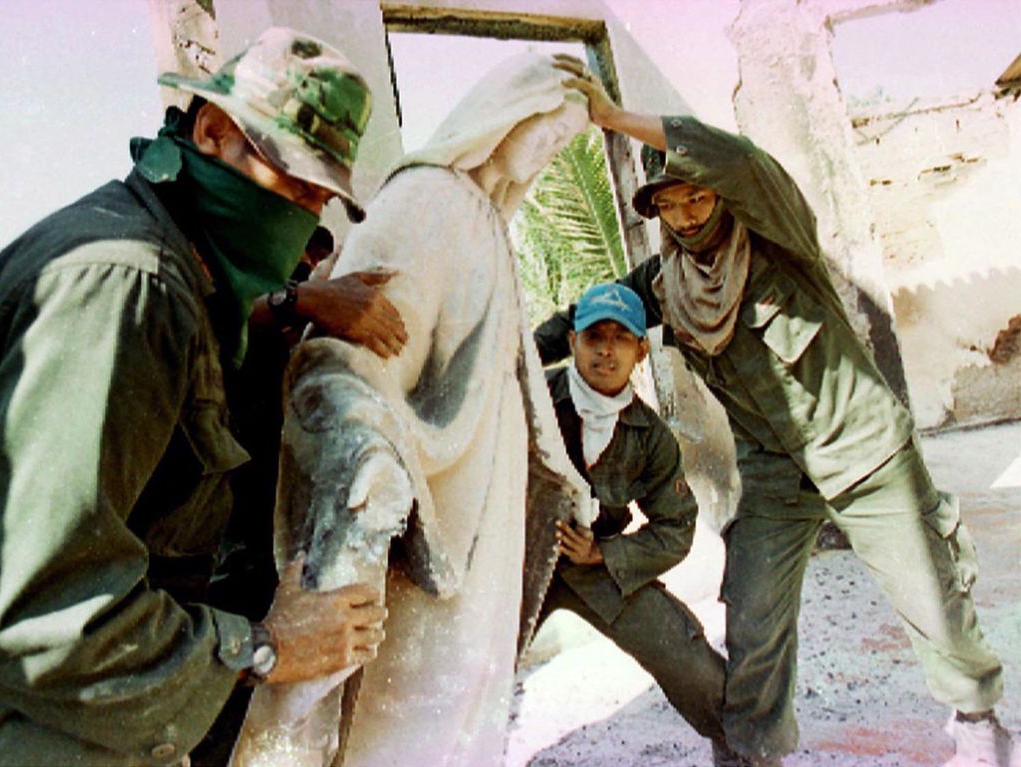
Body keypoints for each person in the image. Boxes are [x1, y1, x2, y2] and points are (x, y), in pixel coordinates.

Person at [0, 28, 398, 767]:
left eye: (317, 196)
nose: (303, 214)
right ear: (212, 131)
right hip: (5, 727)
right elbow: (42, 615)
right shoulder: (125, 288)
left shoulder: (168, 267)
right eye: (290, 181)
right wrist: (266, 647)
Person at [537, 54, 1014, 767]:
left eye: (697, 197)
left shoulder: (776, 235)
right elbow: (579, 319)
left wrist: (608, 117)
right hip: (773, 474)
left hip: (865, 452)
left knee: (930, 596)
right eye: (670, 204)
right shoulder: (664, 284)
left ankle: (979, 722)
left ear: (720, 194)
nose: (687, 214)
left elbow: (739, 159)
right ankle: (754, 753)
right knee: (753, 615)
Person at [228, 53, 594, 767]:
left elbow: (508, 375)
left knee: (467, 695)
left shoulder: (484, 217)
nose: (551, 154)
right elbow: (344, 356)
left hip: (481, 509)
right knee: (405, 709)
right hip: (432, 506)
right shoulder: (430, 199)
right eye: (548, 133)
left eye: (563, 144)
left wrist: (557, 470)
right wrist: (369, 450)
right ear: (502, 117)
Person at [541, 281, 732, 762]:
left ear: (641, 350)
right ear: (572, 343)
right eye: (594, 337)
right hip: (518, 568)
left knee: (693, 666)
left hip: (595, 566)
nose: (606, 351)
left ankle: (741, 754)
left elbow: (675, 528)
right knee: (467, 677)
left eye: (620, 338)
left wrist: (602, 553)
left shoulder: (651, 437)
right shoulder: (532, 401)